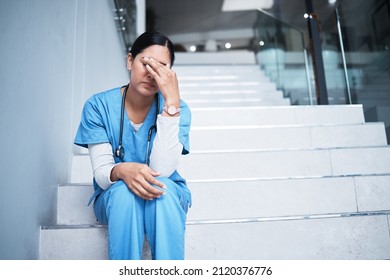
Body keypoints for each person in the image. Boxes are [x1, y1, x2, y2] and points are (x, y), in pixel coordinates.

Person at [74, 31, 191, 260]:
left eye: (161, 68)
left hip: (165, 193)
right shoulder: (98, 106)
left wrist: (171, 105)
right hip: (115, 196)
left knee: (163, 190)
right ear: (130, 61)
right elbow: (102, 173)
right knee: (124, 193)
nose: (151, 74)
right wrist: (122, 170)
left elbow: (163, 170)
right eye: (146, 62)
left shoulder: (179, 109)